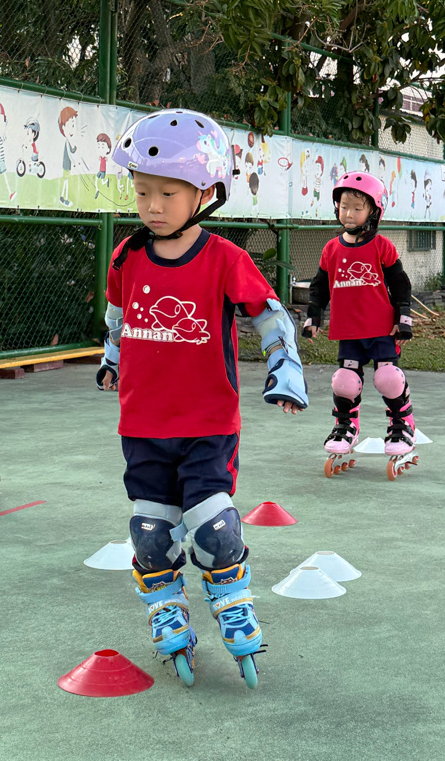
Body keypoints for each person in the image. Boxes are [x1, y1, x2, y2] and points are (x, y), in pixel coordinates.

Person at [96, 109, 308, 689]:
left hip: (208, 424)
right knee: (150, 532)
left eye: (167, 193)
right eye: (143, 191)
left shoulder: (224, 259)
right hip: (142, 425)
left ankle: (232, 603)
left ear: (206, 193)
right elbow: (118, 316)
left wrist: (285, 371)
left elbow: (270, 316)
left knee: (214, 528)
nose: (152, 206)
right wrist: (112, 359)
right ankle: (166, 608)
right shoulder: (127, 256)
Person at [303, 171, 415, 460]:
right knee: (344, 381)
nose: (349, 214)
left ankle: (402, 424)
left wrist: (403, 317)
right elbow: (319, 287)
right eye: (344, 207)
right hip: (349, 331)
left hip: (382, 329)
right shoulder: (331, 249)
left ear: (373, 212)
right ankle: (346, 426)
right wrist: (314, 316)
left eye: (357, 208)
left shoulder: (382, 246)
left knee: (388, 378)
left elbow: (400, 284)